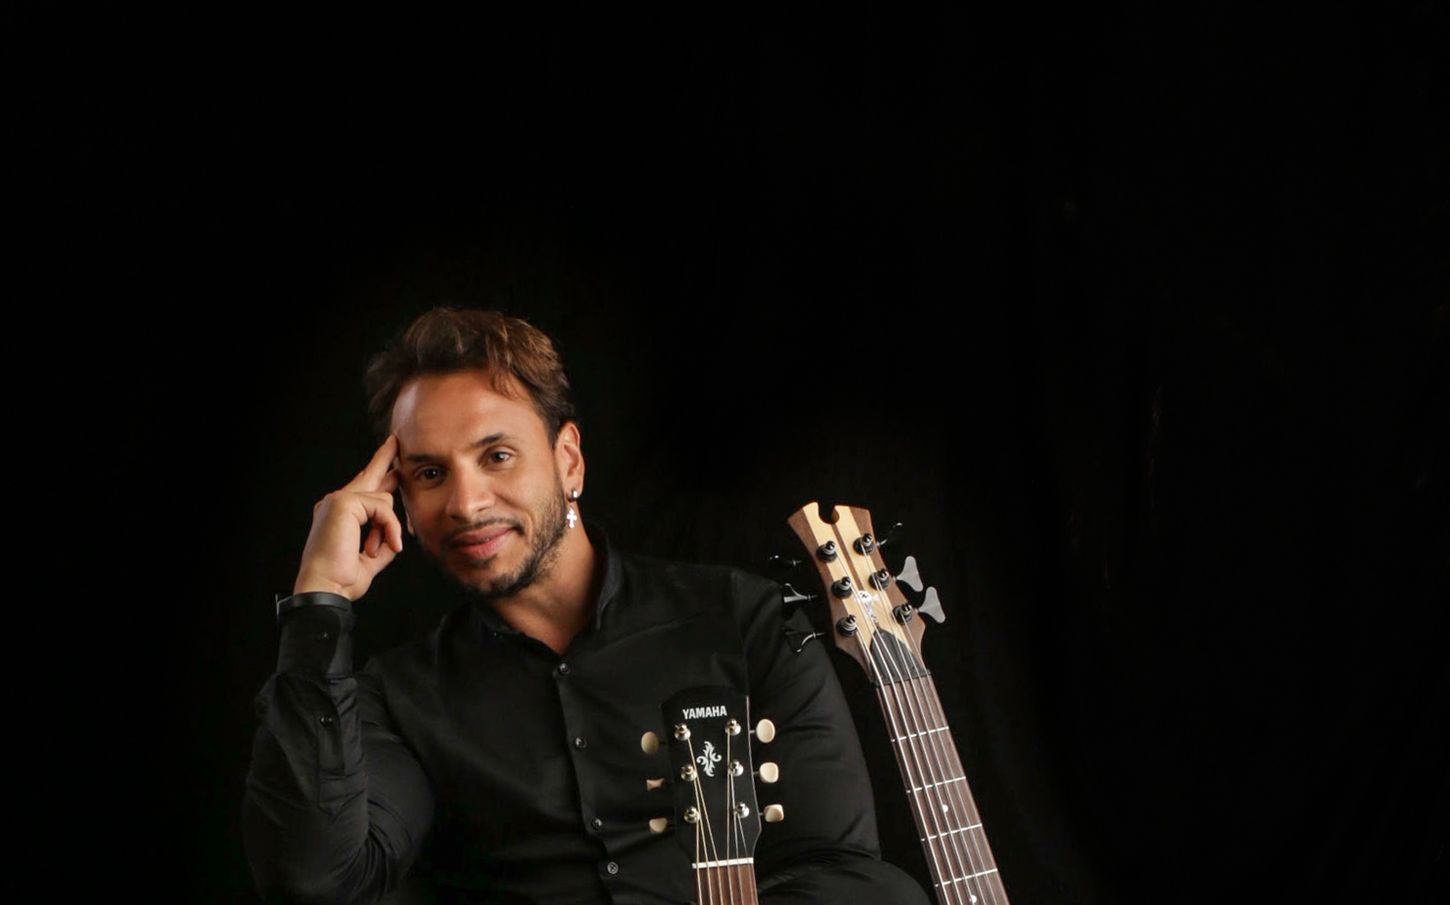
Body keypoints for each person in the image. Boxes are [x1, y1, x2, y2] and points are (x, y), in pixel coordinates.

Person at [243, 308, 930, 905]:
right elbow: (315, 881)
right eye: (429, 472)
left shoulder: (744, 618)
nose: (465, 502)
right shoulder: (398, 697)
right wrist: (318, 601)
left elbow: (840, 872)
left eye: (497, 454)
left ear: (569, 460)